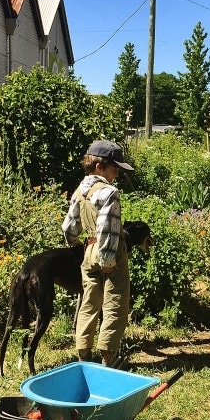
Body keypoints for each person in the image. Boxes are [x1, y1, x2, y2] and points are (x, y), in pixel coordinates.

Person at [62, 140, 135, 366]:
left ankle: (83, 355)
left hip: (88, 250)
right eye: (115, 169)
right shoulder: (109, 192)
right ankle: (108, 357)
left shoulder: (80, 191)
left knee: (89, 304)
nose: (117, 174)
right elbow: (109, 229)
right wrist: (108, 259)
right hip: (108, 252)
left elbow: (69, 226)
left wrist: (73, 242)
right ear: (99, 166)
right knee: (115, 304)